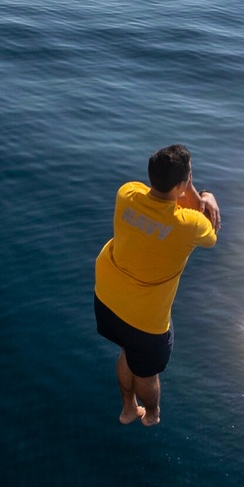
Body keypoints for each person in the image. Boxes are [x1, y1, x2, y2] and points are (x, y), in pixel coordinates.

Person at [94, 144, 220, 426]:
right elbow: (210, 229)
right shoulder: (190, 225)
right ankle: (151, 415)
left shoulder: (127, 193)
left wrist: (181, 182)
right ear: (183, 183)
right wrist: (207, 196)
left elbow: (165, 197)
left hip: (107, 297)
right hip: (146, 319)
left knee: (128, 352)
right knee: (147, 374)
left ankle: (128, 409)